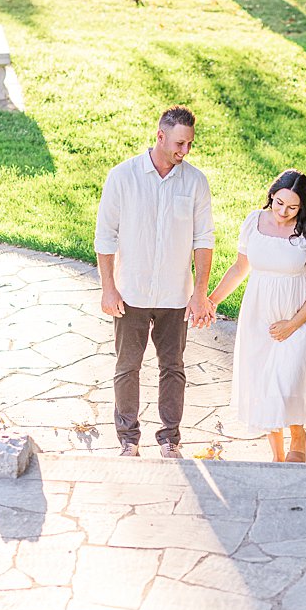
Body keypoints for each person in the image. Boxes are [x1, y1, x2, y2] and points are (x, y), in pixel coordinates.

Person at [95, 107, 216, 458]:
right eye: (180, 143)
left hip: (175, 295)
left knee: (173, 367)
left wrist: (199, 293)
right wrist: (108, 287)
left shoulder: (195, 182)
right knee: (127, 367)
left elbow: (203, 240)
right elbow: (105, 237)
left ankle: (169, 438)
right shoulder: (122, 176)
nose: (185, 152)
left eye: (190, 144)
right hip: (129, 292)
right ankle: (128, 438)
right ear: (160, 136)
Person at [209, 169, 306, 462]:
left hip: (298, 320)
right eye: (279, 203)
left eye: (292, 207)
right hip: (259, 318)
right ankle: (278, 459)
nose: (283, 212)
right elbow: (241, 268)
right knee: (264, 387)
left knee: (286, 382)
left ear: (303, 206)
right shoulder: (254, 223)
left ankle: (299, 436)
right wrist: (212, 300)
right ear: (271, 196)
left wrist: (292, 324)